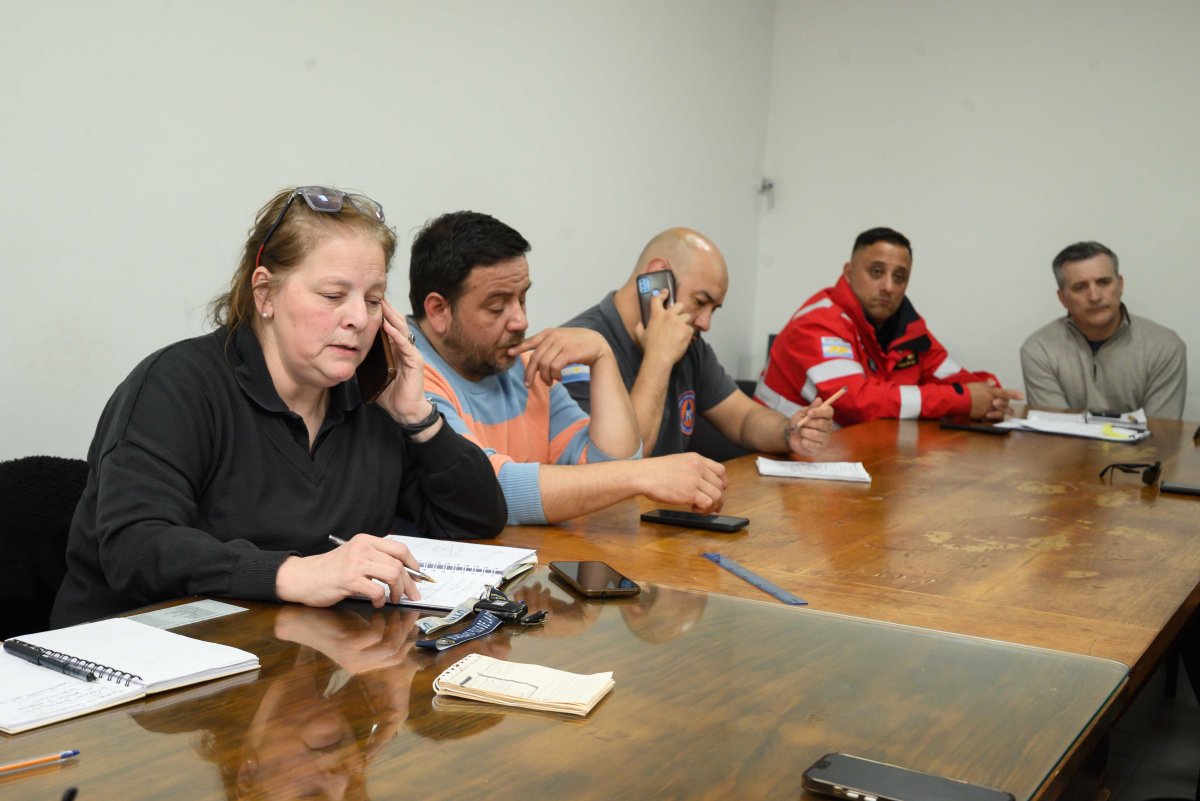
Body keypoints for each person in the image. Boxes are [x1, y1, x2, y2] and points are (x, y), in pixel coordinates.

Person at [51, 186, 506, 628]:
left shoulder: (368, 401)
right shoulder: (175, 386)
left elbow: (477, 519)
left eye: (372, 300)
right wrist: (291, 573)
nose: (359, 319)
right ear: (265, 294)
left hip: (290, 651)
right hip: (134, 653)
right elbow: (133, 546)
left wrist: (418, 417)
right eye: (333, 296)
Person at [407, 211, 727, 526]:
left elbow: (606, 465)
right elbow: (487, 490)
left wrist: (602, 356)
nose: (521, 320)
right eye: (497, 306)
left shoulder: (522, 365)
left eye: (522, 299)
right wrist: (643, 475)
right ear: (438, 310)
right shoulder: (408, 376)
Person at [561, 227, 833, 458]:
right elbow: (619, 463)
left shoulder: (691, 345)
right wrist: (659, 358)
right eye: (700, 302)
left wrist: (788, 431)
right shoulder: (579, 348)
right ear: (657, 279)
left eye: (713, 309)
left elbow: (743, 419)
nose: (705, 323)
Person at [755, 227, 1021, 426]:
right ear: (849, 273)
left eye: (899, 277)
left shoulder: (907, 328)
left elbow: (957, 379)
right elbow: (858, 401)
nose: (888, 287)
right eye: (876, 272)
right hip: (780, 459)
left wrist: (990, 394)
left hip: (858, 456)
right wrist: (963, 400)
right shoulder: (817, 323)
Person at [1020, 241, 1186, 419]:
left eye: (1104, 282)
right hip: (1066, 440)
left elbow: (1161, 430)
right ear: (1062, 298)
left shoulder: (1164, 346)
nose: (1094, 296)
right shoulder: (1040, 349)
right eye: (1080, 287)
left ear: (1120, 285)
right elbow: (1055, 428)